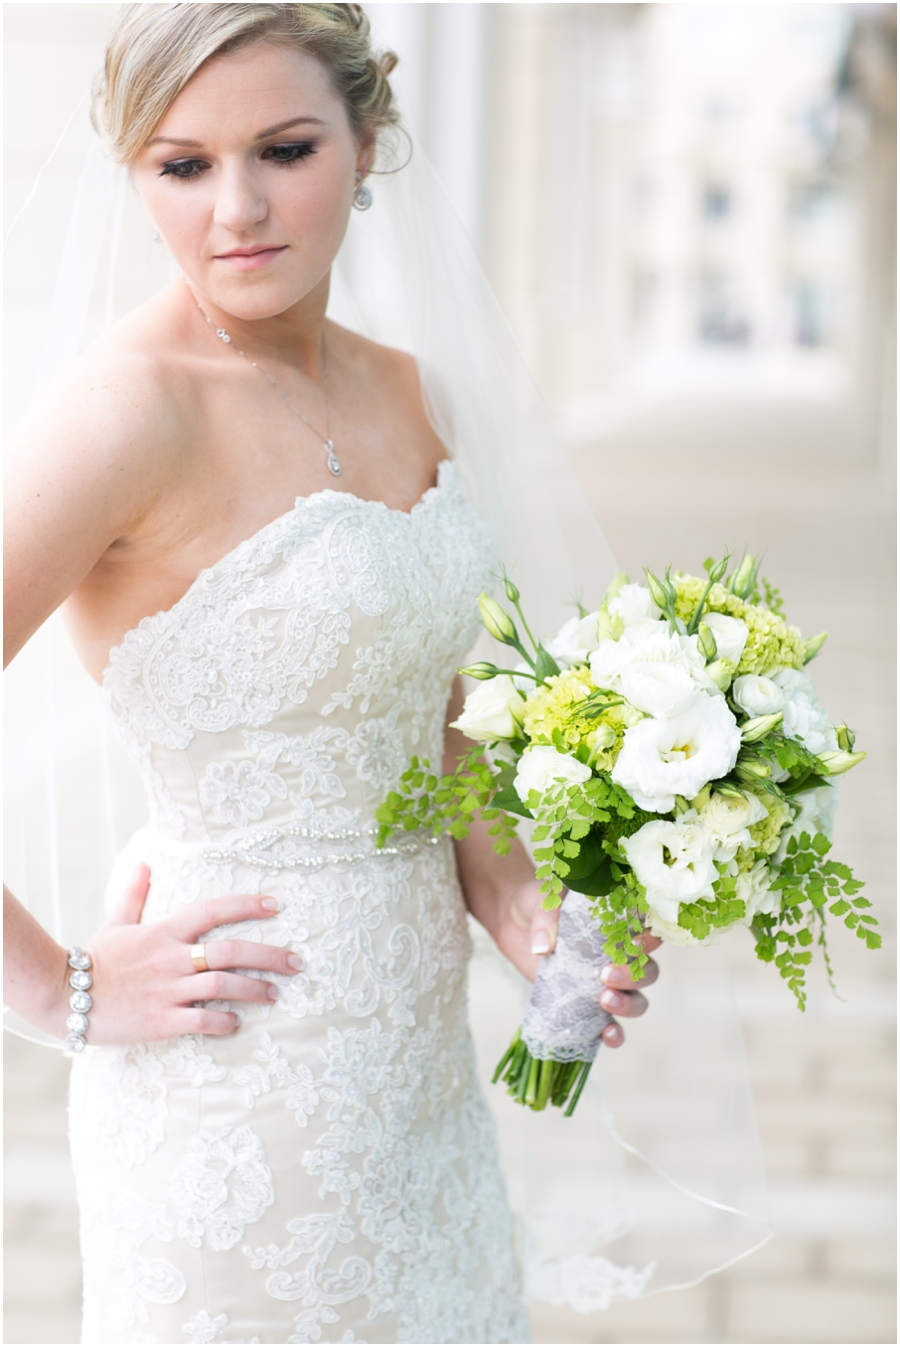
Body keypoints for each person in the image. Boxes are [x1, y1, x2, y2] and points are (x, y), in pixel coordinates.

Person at [3, 6, 660, 1342]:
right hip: (227, 1084)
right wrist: (57, 986)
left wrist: (535, 927)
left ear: (368, 143)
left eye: (283, 149)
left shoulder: (418, 394)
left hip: (417, 1078)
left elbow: (435, 724)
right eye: (180, 165)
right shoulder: (128, 412)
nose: (234, 208)